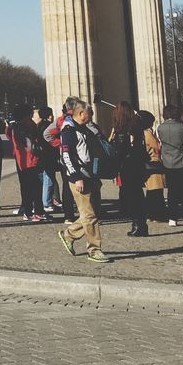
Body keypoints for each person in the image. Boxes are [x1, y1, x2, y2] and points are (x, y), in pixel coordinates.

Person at [56, 100, 109, 263]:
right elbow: (66, 156)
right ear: (80, 114)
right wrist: (76, 177)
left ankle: (69, 234)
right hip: (79, 176)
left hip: (90, 175)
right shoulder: (69, 131)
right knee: (89, 215)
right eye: (89, 113)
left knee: (94, 213)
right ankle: (94, 249)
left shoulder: (84, 129)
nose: (92, 116)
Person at [110, 104, 149, 236]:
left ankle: (138, 224)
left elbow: (119, 151)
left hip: (128, 167)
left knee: (132, 197)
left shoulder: (122, 131)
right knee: (137, 196)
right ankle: (140, 224)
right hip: (137, 166)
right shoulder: (136, 128)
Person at [44, 98, 82, 222]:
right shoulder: (74, 118)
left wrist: (60, 144)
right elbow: (47, 134)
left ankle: (69, 215)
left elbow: (47, 134)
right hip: (78, 155)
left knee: (67, 185)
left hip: (65, 156)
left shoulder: (61, 120)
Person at [158, 105, 183, 227]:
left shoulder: (160, 128)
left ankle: (172, 218)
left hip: (168, 162)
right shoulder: (182, 128)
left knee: (172, 192)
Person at [8, 104, 45, 222]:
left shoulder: (14, 126)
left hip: (21, 161)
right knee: (36, 187)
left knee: (26, 188)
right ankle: (38, 212)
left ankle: (27, 211)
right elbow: (31, 143)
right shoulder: (28, 125)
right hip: (31, 160)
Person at [138, 110, 166, 222]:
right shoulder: (147, 134)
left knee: (152, 191)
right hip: (153, 163)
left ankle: (152, 213)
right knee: (156, 191)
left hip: (149, 164)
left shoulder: (141, 133)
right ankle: (156, 214)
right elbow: (156, 147)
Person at [32, 106, 60, 212]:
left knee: (44, 179)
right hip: (49, 156)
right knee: (49, 179)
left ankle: (46, 201)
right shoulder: (49, 127)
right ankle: (47, 202)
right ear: (49, 116)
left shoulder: (37, 126)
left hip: (40, 156)